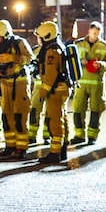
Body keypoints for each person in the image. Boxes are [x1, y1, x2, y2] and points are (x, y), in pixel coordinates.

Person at [0, 19, 34, 158]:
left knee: (19, 115)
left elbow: (30, 58)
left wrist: (14, 58)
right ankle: (10, 145)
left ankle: (21, 147)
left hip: (19, 82)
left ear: (5, 34)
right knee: (6, 116)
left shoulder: (19, 43)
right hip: (4, 83)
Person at [71, 21, 106, 144]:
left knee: (96, 109)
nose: (96, 36)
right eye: (94, 33)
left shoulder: (105, 46)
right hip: (81, 83)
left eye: (98, 33)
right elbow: (72, 61)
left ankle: (92, 137)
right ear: (89, 31)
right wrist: (80, 62)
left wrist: (101, 64)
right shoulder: (77, 44)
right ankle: (79, 135)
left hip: (96, 83)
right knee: (78, 108)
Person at [34, 21, 71, 163]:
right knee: (62, 118)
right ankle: (62, 149)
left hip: (56, 91)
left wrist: (43, 92)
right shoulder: (57, 47)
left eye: (40, 36)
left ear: (46, 36)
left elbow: (51, 75)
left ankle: (55, 153)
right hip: (61, 89)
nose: (38, 39)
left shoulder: (51, 51)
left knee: (55, 121)